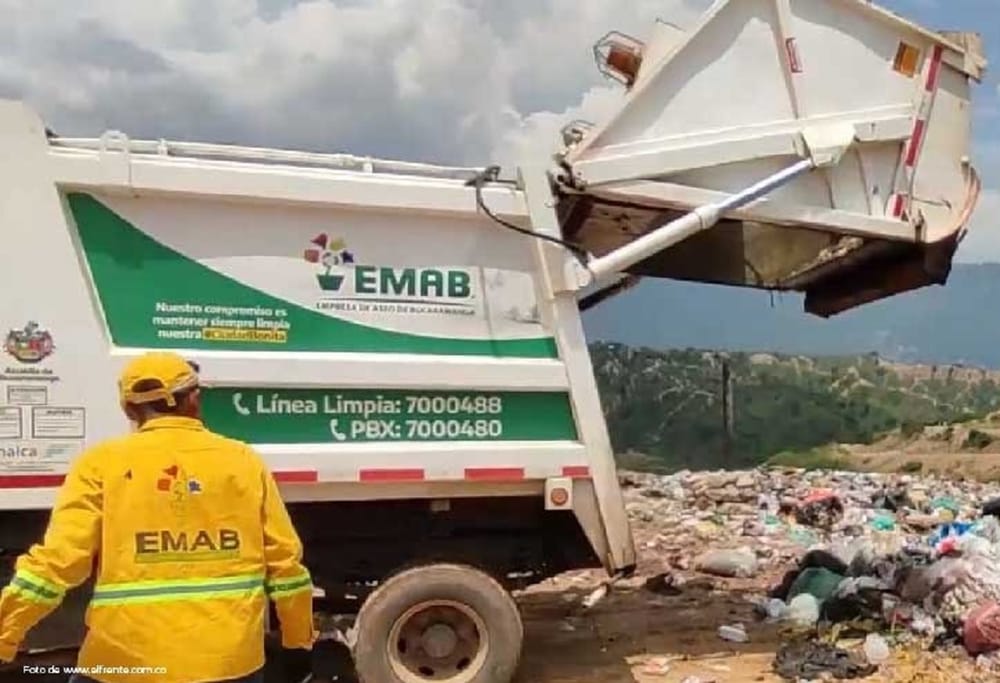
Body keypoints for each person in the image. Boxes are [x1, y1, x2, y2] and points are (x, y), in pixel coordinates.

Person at [0, 352, 316, 682]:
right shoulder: (242, 461)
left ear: (130, 409)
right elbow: (285, 564)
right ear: (194, 399)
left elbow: (58, 562)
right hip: (230, 664)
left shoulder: (100, 464)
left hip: (126, 664)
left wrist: (5, 637)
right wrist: (297, 643)